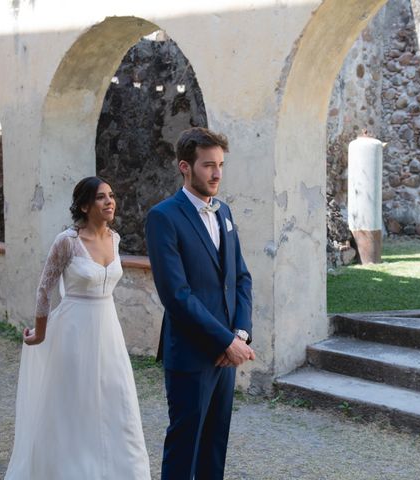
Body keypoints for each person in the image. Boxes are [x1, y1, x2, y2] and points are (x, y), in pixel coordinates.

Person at [5, 176, 151, 480]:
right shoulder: (67, 241)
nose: (110, 201)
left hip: (108, 330)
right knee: (75, 404)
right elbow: (44, 289)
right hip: (73, 330)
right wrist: (41, 333)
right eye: (101, 197)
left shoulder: (115, 238)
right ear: (85, 205)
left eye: (111, 195)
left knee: (117, 400)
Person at [145, 127, 254, 480]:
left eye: (220, 164)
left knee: (214, 447)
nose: (217, 173)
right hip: (191, 353)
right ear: (185, 167)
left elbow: (241, 278)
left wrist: (239, 334)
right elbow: (176, 295)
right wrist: (225, 341)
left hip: (227, 353)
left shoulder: (225, 213)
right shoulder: (163, 217)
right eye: (208, 165)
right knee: (184, 448)